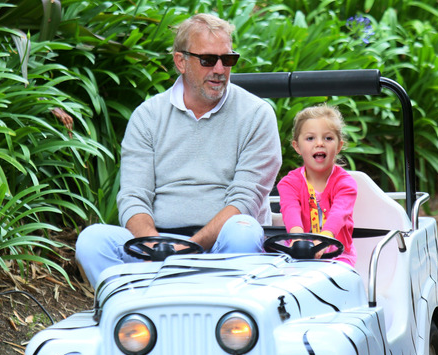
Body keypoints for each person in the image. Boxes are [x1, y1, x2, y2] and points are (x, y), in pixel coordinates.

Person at [75, 13, 282, 286]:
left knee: (243, 231)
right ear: (180, 61)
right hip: (159, 244)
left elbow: (244, 203)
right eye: (208, 60)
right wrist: (156, 247)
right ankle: (134, 314)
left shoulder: (256, 114)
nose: (220, 69)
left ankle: (228, 318)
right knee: (92, 240)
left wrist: (189, 250)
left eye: (228, 59)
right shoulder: (148, 115)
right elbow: (134, 197)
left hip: (223, 244)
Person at [277, 104, 358, 266]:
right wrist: (297, 239)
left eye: (328, 138)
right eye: (310, 138)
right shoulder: (289, 183)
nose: (319, 143)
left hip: (337, 256)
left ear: (339, 146)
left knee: (336, 278)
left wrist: (324, 239)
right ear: (297, 147)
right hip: (299, 255)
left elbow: (338, 214)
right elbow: (290, 210)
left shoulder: (346, 184)